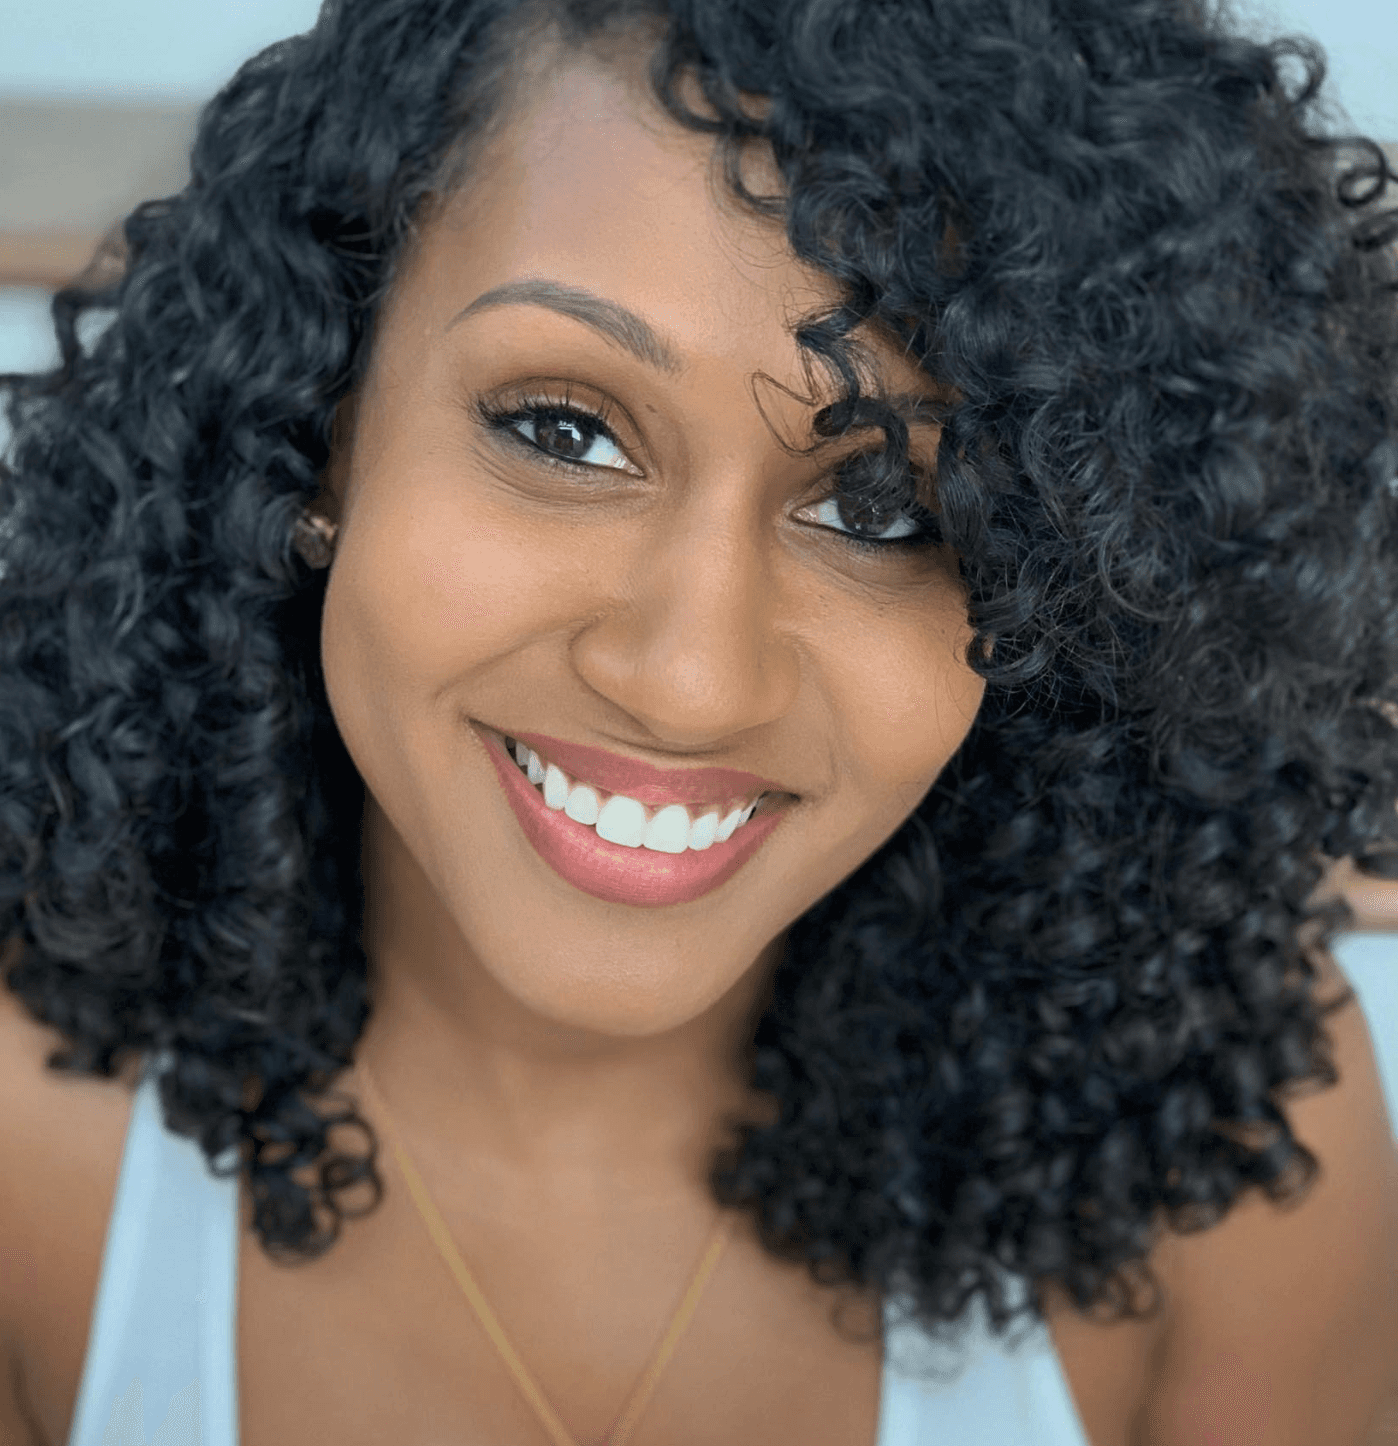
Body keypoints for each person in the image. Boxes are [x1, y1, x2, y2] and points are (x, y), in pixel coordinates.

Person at [1, 0, 1396, 1442]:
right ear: (318, 430)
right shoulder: (24, 1164)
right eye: (563, 430)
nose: (689, 678)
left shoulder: (1214, 1152)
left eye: (880, 508)